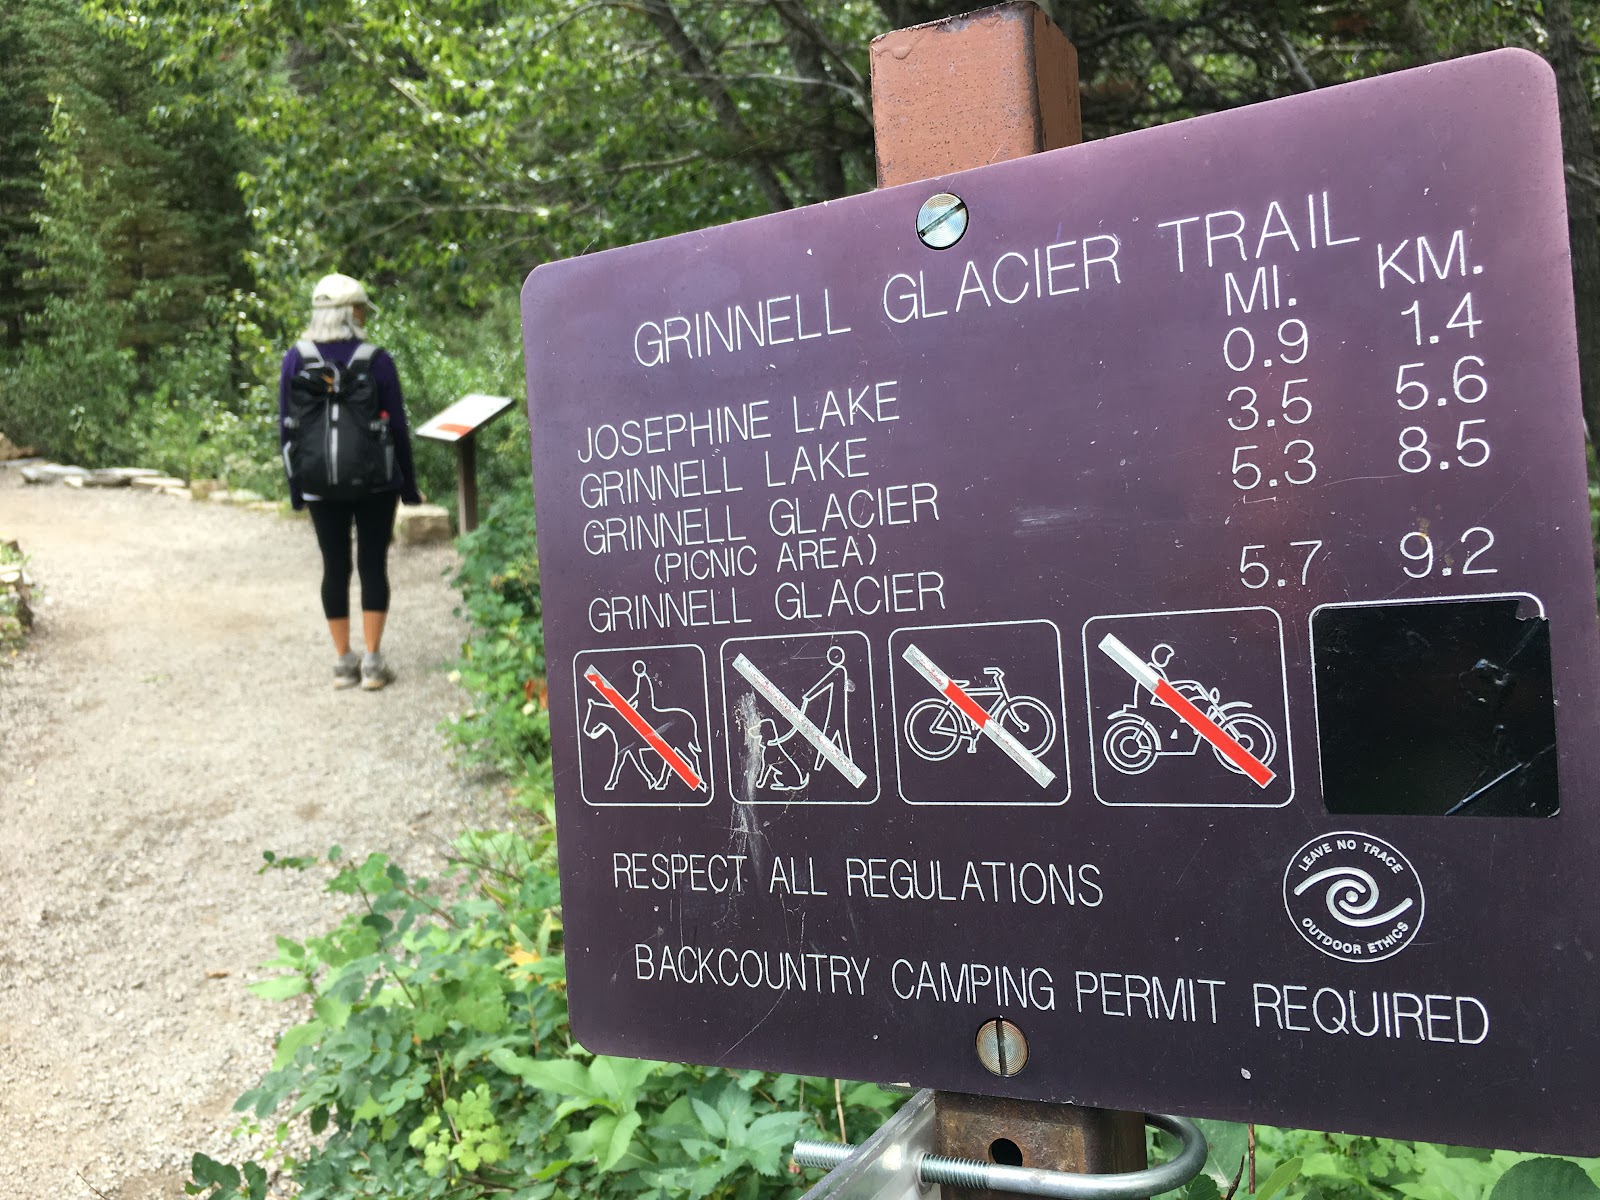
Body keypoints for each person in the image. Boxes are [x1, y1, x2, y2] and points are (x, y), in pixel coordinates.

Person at [279, 273, 422, 689]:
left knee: (334, 566)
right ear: (350, 312)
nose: (364, 314)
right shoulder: (376, 359)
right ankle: (374, 663)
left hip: (318, 483)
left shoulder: (296, 358)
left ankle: (344, 663)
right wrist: (407, 486)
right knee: (373, 564)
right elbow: (397, 427)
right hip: (376, 482)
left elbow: (287, 430)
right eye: (361, 307)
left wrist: (296, 490)